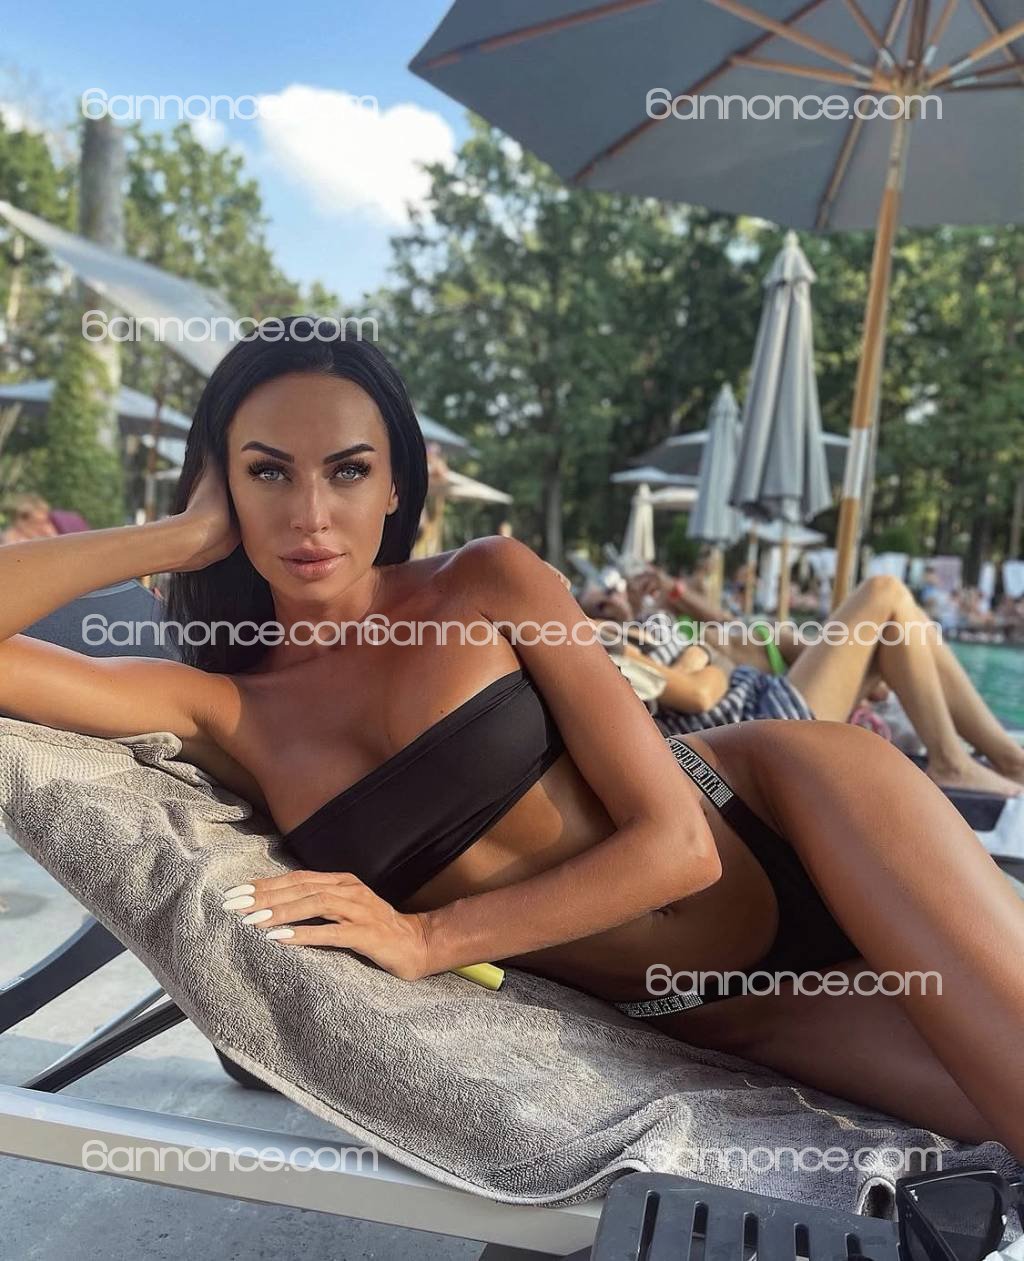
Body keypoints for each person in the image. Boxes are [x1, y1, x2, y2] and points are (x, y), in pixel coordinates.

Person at [1, 316, 1022, 1158]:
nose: (310, 513)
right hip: (714, 1008)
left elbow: (679, 846)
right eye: (268, 474)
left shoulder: (487, 580)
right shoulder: (223, 710)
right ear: (221, 485)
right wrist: (176, 536)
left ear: (396, 486)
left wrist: (428, 939)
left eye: (348, 470)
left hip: (791, 814)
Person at [594, 564, 1024, 797]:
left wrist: (676, 614)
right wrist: (697, 655)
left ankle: (1008, 760)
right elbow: (705, 687)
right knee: (884, 591)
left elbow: (719, 642)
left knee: (901, 620)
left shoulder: (643, 632)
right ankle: (953, 763)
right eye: (600, 601)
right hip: (766, 720)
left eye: (613, 592)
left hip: (764, 695)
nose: (611, 600)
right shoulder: (611, 648)